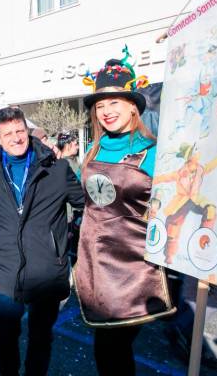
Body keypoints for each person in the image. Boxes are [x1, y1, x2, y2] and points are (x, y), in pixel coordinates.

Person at [73, 56, 175, 375]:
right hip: (95, 266)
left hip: (132, 269)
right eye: (101, 105)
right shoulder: (94, 148)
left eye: (114, 101)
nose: (106, 111)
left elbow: (173, 210)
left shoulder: (156, 152)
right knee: (107, 354)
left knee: (112, 351)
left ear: (134, 105)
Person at [0, 107, 84, 375]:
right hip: (4, 271)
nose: (15, 138)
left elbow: (84, 203)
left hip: (47, 270)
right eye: (8, 133)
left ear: (28, 131)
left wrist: (69, 239)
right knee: (4, 339)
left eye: (19, 131)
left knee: (40, 338)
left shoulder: (57, 169)